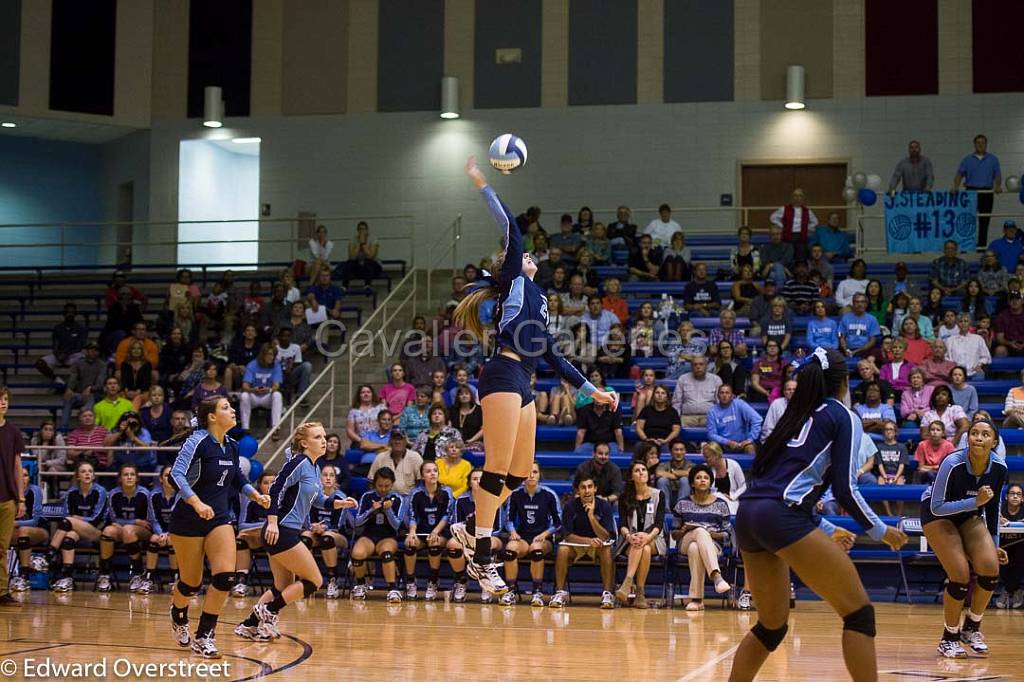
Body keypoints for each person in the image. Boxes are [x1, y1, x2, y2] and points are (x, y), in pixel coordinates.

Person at [448, 157, 617, 595]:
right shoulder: (512, 282)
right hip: (502, 373)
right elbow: (511, 225)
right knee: (497, 464)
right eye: (516, 253)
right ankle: (483, 556)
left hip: (523, 381)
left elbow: (557, 359)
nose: (525, 253)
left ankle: (471, 526)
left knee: (519, 471)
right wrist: (482, 182)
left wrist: (592, 391)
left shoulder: (540, 299)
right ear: (507, 264)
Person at [727, 347, 907, 681]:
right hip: (780, 515)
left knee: (771, 626)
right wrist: (884, 531)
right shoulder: (843, 415)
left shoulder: (795, 412)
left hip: (750, 514)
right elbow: (845, 490)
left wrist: (822, 526)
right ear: (844, 382)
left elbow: (778, 483)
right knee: (859, 615)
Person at [167, 397, 270, 658]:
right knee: (190, 583)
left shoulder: (232, 446)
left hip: (219, 517)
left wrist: (254, 494)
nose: (232, 410)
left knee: (225, 577)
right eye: (226, 407)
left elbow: (236, 477)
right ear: (211, 416)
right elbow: (175, 475)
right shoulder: (197, 441)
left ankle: (204, 636)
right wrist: (196, 502)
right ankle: (178, 613)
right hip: (188, 517)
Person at [234, 422, 353, 641]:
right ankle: (268, 610)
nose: (324, 440)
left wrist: (340, 504)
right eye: (318, 437)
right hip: (281, 531)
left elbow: (318, 500)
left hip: (286, 531)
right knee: (313, 581)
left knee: (282, 587)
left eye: (324, 436)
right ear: (304, 443)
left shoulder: (314, 467)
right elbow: (276, 488)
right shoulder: (297, 462)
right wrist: (271, 522)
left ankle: (249, 625)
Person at [921, 418, 1007, 657]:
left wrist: (994, 544)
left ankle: (972, 628)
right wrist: (974, 501)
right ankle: (949, 637)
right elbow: (937, 506)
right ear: (967, 438)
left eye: (985, 434)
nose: (978, 438)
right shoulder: (952, 463)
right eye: (974, 433)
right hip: (937, 514)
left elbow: (993, 507)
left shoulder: (999, 468)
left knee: (990, 569)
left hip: (970, 514)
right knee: (959, 574)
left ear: (994, 442)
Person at [549, 473, 617, 609]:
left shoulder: (604, 506)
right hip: (577, 546)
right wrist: (588, 541)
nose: (587, 491)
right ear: (577, 490)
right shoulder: (569, 506)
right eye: (583, 487)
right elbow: (567, 535)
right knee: (562, 549)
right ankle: (560, 592)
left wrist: (591, 517)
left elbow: (606, 537)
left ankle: (608, 594)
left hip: (598, 546)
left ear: (595, 489)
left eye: (590, 487)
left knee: (607, 550)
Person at [672, 463, 733, 611]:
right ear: (692, 483)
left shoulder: (721, 504)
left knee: (696, 548)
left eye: (706, 478)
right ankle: (717, 577)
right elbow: (674, 534)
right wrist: (684, 530)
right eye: (698, 478)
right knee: (698, 534)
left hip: (713, 545)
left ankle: (697, 600)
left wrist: (710, 534)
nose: (702, 480)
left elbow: (727, 534)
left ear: (710, 483)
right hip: (686, 540)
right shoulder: (682, 503)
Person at [42, 460, 108, 593]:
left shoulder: (100, 492)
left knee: (68, 521)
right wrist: (74, 520)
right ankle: (67, 577)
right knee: (68, 538)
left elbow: (96, 519)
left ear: (94, 476)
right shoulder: (71, 493)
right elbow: (66, 514)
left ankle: (49, 556)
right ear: (78, 476)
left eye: (90, 471)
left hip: (96, 532)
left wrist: (79, 519)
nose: (87, 474)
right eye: (83, 472)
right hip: (75, 530)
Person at [501, 462, 560, 606]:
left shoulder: (549, 494)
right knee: (510, 549)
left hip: (543, 538)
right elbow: (508, 519)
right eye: (528, 472)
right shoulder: (515, 494)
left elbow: (558, 523)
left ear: (539, 475)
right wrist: (512, 531)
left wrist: (545, 534)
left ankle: (537, 592)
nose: (531, 475)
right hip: (523, 537)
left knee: (536, 549)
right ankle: (510, 590)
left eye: (534, 472)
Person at [399, 460, 455, 601]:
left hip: (441, 532)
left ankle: (433, 580)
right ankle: (411, 581)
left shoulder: (446, 492)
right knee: (410, 543)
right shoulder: (416, 493)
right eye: (428, 471)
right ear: (422, 476)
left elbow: (447, 515)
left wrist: (436, 531)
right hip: (422, 531)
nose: (432, 474)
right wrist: (412, 532)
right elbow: (412, 515)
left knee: (434, 543)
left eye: (435, 471)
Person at [614, 460, 666, 608]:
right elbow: (623, 524)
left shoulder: (658, 495)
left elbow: (659, 523)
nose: (641, 472)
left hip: (655, 538)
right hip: (630, 539)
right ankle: (640, 594)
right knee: (644, 548)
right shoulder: (625, 497)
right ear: (631, 476)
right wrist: (629, 536)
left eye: (644, 469)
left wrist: (648, 537)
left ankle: (627, 582)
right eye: (637, 470)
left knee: (646, 545)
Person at [349, 467, 404, 602]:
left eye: (387, 486)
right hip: (369, 535)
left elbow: (397, 525)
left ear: (392, 484)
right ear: (374, 484)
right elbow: (357, 522)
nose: (383, 489)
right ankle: (361, 584)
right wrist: (371, 510)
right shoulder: (367, 497)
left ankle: (392, 589)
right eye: (380, 485)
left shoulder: (397, 499)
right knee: (357, 554)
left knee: (386, 553)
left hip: (388, 536)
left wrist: (389, 510)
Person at [96, 464, 152, 592]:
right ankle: (105, 574)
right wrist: (135, 521)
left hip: (144, 531)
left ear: (137, 478)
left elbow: (149, 520)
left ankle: (138, 574)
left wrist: (132, 523)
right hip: (123, 528)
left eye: (132, 475)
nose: (129, 477)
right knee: (108, 531)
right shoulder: (113, 494)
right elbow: (114, 519)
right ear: (120, 478)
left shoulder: (145, 494)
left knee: (128, 530)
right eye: (125, 475)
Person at [136, 466, 180, 595]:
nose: (170, 478)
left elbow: (181, 519)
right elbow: (153, 519)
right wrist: (161, 533)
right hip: (159, 531)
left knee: (172, 540)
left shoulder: (182, 495)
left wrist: (170, 533)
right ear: (161, 479)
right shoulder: (153, 495)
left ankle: (175, 578)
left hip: (178, 531)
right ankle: (149, 577)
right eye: (167, 475)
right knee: (153, 539)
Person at [953, 134, 1002, 248]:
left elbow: (997, 175)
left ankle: (981, 247)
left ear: (986, 144)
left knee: (984, 220)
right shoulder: (967, 159)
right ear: (974, 144)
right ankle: (967, 246)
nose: (980, 144)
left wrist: (997, 186)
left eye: (983, 142)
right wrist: (956, 186)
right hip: (971, 192)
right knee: (968, 219)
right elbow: (959, 174)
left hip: (986, 192)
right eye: (978, 142)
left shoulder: (993, 159)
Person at [9, 466, 47, 593]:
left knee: (23, 530)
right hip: (14, 530)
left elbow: (34, 521)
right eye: (19, 475)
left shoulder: (35, 491)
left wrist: (14, 523)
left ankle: (24, 575)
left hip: (39, 530)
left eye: (25, 475)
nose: (22, 478)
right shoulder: (8, 492)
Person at [35, 303, 88, 384]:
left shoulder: (80, 328)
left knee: (84, 360)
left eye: (72, 312)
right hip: (59, 355)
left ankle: (75, 384)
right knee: (39, 363)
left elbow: (79, 347)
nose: (70, 314)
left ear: (75, 314)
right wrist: (58, 355)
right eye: (68, 312)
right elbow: (55, 346)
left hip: (73, 355)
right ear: (64, 314)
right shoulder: (58, 328)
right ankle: (57, 380)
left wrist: (66, 354)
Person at [239, 343, 284, 438]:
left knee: (277, 395)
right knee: (244, 395)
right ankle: (245, 429)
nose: (271, 357)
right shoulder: (252, 365)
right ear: (263, 354)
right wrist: (253, 390)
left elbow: (276, 385)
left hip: (267, 397)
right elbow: (245, 385)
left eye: (273, 355)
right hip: (254, 396)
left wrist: (270, 389)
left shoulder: (276, 365)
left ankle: (275, 428)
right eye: (269, 354)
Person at [707, 385, 763, 454]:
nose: (724, 395)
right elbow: (711, 434)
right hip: (723, 445)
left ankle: (753, 465)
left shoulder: (739, 404)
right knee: (711, 448)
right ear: (718, 396)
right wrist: (727, 442)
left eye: (727, 393)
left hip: (742, 444)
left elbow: (757, 419)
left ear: (732, 396)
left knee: (750, 448)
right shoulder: (712, 411)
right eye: (722, 393)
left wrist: (750, 439)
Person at [368, 428, 423, 495]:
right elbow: (371, 481)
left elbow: (421, 483)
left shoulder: (415, 457)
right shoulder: (380, 457)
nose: (397, 442)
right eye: (394, 439)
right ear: (390, 442)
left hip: (407, 497)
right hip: (384, 497)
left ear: (406, 441)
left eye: (400, 439)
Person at [671, 356, 722, 427]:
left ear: (706, 366)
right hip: (687, 417)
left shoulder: (715, 379)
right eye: (695, 364)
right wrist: (676, 418)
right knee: (676, 426)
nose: (698, 367)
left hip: (709, 417)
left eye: (701, 364)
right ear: (691, 367)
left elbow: (720, 401)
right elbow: (677, 402)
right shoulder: (683, 379)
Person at [996, 483, 1024, 609]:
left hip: (1021, 546)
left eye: (1018, 494)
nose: (1015, 497)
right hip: (1003, 545)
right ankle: (1016, 590)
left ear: (1022, 498)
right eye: (1012, 493)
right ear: (1006, 497)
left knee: (1020, 557)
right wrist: (997, 519)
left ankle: (1007, 591)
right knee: (1001, 558)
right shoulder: (999, 510)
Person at [770, 188, 818, 260]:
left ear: (802, 198)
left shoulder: (807, 211)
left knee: (801, 258)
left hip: (801, 237)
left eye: (799, 196)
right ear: (792, 198)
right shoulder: (784, 209)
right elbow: (773, 217)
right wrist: (782, 226)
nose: (797, 198)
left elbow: (815, 222)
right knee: (787, 258)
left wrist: (807, 228)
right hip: (788, 237)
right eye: (795, 196)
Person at [874, 421, 909, 516]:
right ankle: (889, 513)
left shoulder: (902, 447)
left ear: (895, 432)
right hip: (884, 474)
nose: (888, 432)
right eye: (886, 429)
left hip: (898, 474)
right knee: (880, 483)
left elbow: (902, 464)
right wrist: (885, 476)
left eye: (890, 429)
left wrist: (896, 477)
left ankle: (899, 514)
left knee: (900, 485)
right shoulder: (879, 447)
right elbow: (879, 464)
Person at [701, 441, 747, 513]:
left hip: (731, 501)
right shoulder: (706, 469)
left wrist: (733, 496)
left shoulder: (733, 465)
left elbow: (744, 485)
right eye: (704, 457)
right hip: (712, 501)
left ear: (716, 455)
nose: (705, 460)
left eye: (707, 457)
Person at [946, 312, 991, 377]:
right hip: (956, 373)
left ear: (970, 324)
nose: (963, 323)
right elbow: (946, 357)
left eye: (966, 321)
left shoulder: (978, 339)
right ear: (957, 324)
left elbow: (986, 356)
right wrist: (953, 366)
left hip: (975, 372)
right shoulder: (950, 340)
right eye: (961, 321)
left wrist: (979, 365)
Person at [839, 293, 881, 358]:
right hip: (847, 350)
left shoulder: (872, 319)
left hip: (865, 351)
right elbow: (841, 337)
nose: (859, 304)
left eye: (862, 302)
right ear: (853, 304)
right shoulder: (845, 318)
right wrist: (845, 350)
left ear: (866, 304)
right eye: (857, 302)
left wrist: (857, 351)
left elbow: (872, 341)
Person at [655, 440, 692, 507]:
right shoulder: (664, 465)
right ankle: (665, 510)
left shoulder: (691, 465)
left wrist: (672, 472)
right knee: (662, 480)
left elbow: (691, 473)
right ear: (671, 452)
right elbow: (658, 473)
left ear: (685, 451)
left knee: (684, 480)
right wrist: (680, 475)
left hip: (686, 497)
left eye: (681, 450)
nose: (679, 452)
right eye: (676, 450)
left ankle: (682, 509)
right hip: (668, 496)